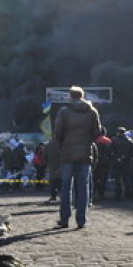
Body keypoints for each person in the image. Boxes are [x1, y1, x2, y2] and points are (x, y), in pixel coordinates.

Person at [53, 86, 101, 229]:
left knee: (66, 187)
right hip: (85, 153)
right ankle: (81, 220)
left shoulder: (64, 111)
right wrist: (87, 141)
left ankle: (64, 219)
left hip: (67, 153)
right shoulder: (92, 111)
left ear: (70, 96)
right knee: (83, 187)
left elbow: (58, 132)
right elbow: (97, 132)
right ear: (82, 96)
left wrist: (62, 144)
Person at [110, 127, 133, 200]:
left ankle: (118, 195)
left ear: (118, 132)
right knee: (127, 179)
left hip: (117, 162)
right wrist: (127, 157)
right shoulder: (130, 140)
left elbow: (110, 150)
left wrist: (116, 158)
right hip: (127, 162)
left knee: (117, 179)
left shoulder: (114, 140)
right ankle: (128, 194)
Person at [93, 127, 112, 201]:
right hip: (105, 163)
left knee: (95, 178)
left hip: (96, 162)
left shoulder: (94, 141)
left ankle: (93, 192)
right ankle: (101, 193)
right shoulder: (108, 141)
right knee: (103, 178)